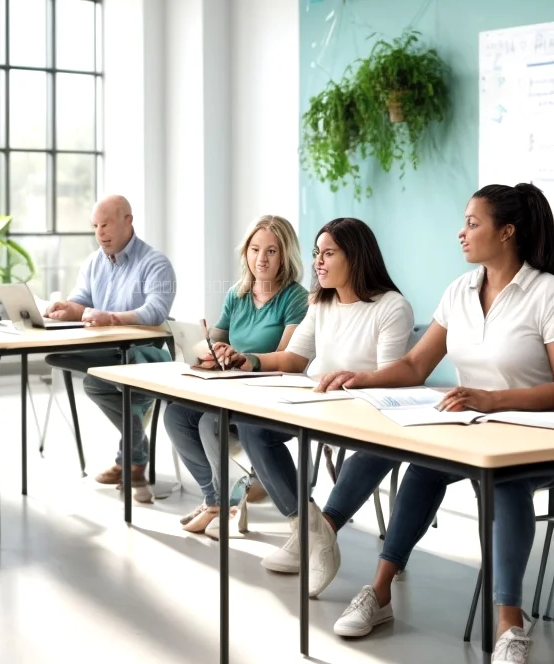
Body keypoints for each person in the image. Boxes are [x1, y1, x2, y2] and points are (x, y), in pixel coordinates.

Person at [317, 183, 554, 664]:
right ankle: (380, 591)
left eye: (472, 223)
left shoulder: (546, 292)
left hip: (534, 441)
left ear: (507, 232)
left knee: (505, 484)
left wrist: (491, 399)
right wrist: (362, 378)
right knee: (422, 465)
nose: (461, 233)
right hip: (472, 430)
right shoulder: (459, 290)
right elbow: (415, 366)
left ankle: (509, 623)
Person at [218, 217, 414, 593]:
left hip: (367, 410)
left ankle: (320, 531)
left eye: (328, 254)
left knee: (376, 450)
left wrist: (354, 379)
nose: (318, 262)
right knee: (251, 425)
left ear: (355, 257)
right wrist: (249, 360)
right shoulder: (321, 301)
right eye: (316, 253)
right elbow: (293, 358)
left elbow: (392, 374)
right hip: (318, 404)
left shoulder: (392, 307)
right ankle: (309, 532)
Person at [164, 216, 309, 538]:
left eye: (271, 251)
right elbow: (215, 341)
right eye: (255, 249)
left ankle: (222, 502)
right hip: (230, 390)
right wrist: (209, 347)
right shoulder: (237, 294)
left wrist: (244, 358)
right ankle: (217, 500)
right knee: (176, 415)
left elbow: (287, 359)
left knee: (209, 423)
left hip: (269, 395)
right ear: (246, 252)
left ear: (285, 255)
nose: (261, 259)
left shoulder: (296, 298)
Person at [45, 195, 176, 503]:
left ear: (128, 221)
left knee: (100, 381)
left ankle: (132, 462)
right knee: (63, 361)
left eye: (105, 225)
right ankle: (134, 455)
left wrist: (113, 318)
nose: (99, 233)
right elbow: (81, 303)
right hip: (106, 351)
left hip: (145, 352)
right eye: (95, 226)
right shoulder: (94, 262)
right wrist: (67, 309)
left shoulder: (155, 263)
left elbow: (156, 311)